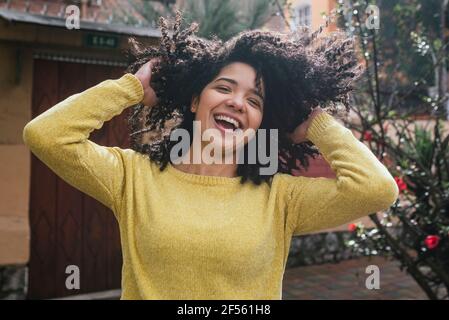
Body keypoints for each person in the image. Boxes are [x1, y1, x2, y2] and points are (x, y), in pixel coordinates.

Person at [22, 13, 399, 300]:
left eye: (254, 100)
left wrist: (317, 123)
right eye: (224, 88)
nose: (237, 102)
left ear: (259, 121)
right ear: (194, 100)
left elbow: (377, 189)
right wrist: (131, 87)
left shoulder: (281, 198)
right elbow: (46, 135)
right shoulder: (133, 178)